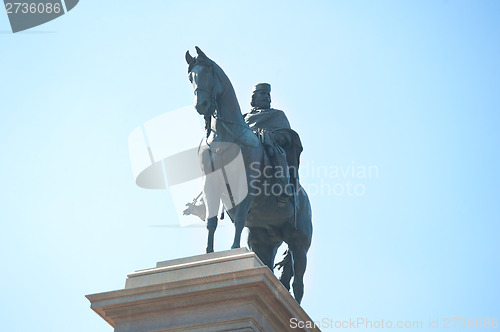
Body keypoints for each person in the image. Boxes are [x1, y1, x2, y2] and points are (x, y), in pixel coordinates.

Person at [244, 83, 303, 193]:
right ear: (254, 98)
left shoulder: (278, 115)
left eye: (268, 94)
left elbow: (287, 134)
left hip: (270, 148)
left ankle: (283, 187)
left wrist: (271, 136)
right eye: (262, 94)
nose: (266, 96)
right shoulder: (244, 118)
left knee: (276, 152)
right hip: (248, 150)